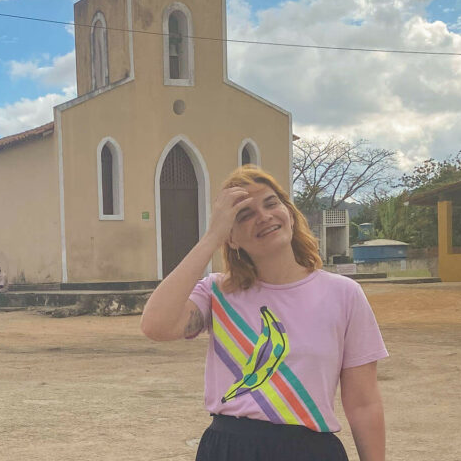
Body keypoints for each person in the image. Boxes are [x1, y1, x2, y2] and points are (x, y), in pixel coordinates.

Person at [141, 165, 387, 461]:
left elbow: (363, 402)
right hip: (229, 450)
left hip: (310, 451)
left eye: (271, 203)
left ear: (290, 214)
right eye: (244, 215)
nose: (264, 216)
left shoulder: (344, 294)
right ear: (230, 238)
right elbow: (155, 325)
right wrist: (210, 237)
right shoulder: (217, 293)